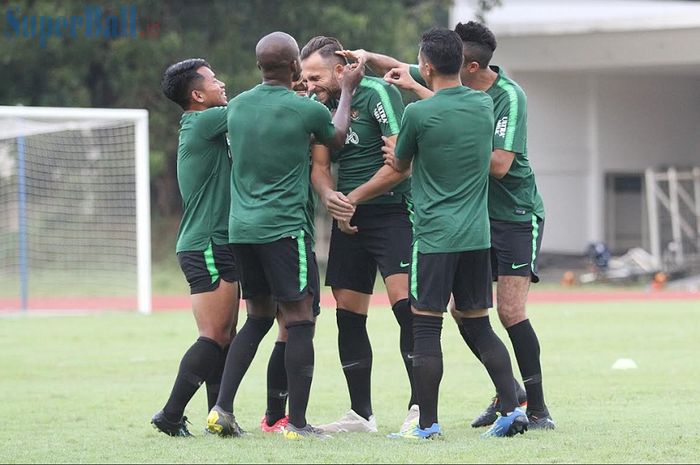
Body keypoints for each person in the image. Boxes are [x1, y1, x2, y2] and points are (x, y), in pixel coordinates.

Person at [339, 20, 554, 430]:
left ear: (469, 66)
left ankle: (530, 409)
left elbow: (498, 164)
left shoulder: (504, 98)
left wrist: (430, 130)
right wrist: (368, 58)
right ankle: (511, 403)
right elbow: (412, 71)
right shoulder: (476, 102)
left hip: (506, 215)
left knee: (489, 315)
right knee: (471, 317)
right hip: (477, 224)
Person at [205, 31, 364, 440]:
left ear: (259, 67)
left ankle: (221, 408)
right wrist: (346, 90)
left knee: (256, 317)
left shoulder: (236, 106)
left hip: (241, 230)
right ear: (295, 67)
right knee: (300, 320)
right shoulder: (303, 109)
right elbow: (338, 135)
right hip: (284, 231)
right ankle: (296, 423)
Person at [379, 27, 527, 439]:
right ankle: (512, 410)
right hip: (477, 237)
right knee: (479, 325)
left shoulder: (416, 113)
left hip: (434, 237)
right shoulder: (483, 105)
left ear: (425, 66)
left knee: (426, 327)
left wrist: (399, 153)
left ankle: (426, 425)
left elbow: (400, 162)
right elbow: (453, 117)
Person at [298, 36, 416, 434]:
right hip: (349, 219)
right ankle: (360, 415)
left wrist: (352, 198)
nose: (309, 84)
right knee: (347, 315)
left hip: (394, 213)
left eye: (314, 75)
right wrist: (330, 196)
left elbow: (400, 162)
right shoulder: (320, 108)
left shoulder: (378, 92)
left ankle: (420, 407)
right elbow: (319, 166)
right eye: (304, 77)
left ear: (339, 68)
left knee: (408, 310)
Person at [151, 59, 240, 437]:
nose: (221, 82)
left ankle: (219, 418)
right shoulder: (204, 121)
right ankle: (170, 415)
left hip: (218, 242)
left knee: (225, 336)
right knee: (214, 335)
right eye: (213, 78)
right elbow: (254, 104)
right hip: (205, 243)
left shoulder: (207, 123)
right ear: (197, 95)